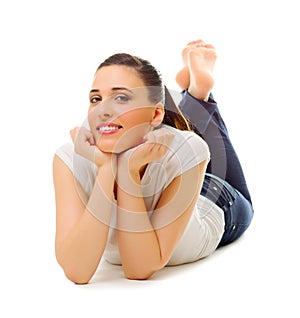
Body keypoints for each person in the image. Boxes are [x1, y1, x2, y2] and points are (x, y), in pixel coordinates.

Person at [53, 39, 253, 284]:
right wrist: (108, 169)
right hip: (164, 176)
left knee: (239, 194)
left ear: (156, 114)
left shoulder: (187, 148)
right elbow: (77, 271)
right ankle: (193, 93)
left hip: (211, 203)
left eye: (121, 98)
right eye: (96, 99)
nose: (102, 110)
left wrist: (127, 171)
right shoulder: (70, 159)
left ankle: (200, 96)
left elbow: (140, 268)